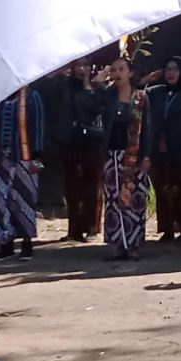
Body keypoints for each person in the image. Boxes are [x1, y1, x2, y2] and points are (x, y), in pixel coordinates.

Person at [141, 55, 181, 244]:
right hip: (162, 152)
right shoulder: (156, 92)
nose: (171, 73)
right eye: (168, 69)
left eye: (175, 69)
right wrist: (146, 80)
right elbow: (136, 94)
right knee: (164, 190)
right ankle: (167, 229)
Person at [0, 84, 45, 258]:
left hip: (25, 158)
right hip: (1, 158)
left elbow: (39, 127)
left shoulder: (32, 96)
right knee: (1, 201)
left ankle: (27, 245)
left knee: (25, 200)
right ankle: (6, 244)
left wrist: (37, 157)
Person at [99, 56, 148, 260]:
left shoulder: (141, 97)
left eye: (121, 69)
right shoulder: (107, 96)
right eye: (114, 70)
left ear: (130, 73)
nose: (117, 73)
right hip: (112, 155)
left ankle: (134, 243)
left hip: (134, 156)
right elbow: (90, 106)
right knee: (113, 199)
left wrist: (147, 156)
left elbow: (149, 129)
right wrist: (98, 82)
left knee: (135, 199)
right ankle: (117, 243)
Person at [56, 63, 110, 243]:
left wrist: (89, 86)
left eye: (85, 65)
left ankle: (92, 228)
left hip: (92, 142)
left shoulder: (100, 87)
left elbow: (95, 108)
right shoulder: (65, 85)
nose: (81, 69)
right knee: (72, 187)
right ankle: (74, 230)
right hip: (71, 142)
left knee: (92, 185)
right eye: (78, 65)